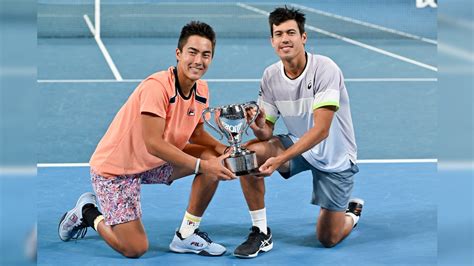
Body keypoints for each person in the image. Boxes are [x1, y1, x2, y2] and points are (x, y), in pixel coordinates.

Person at [58, 21, 236, 258]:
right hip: (115, 170)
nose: (198, 60)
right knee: (135, 249)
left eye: (206, 55)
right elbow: (153, 143)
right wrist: (202, 166)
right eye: (192, 52)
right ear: (178, 53)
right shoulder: (157, 87)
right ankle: (87, 212)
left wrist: (224, 148)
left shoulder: (201, 89)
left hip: (153, 163)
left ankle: (186, 234)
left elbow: (197, 133)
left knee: (214, 159)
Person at [233, 7, 364, 258]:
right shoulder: (270, 76)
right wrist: (256, 124)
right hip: (298, 146)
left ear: (303, 37)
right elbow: (265, 132)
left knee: (328, 238)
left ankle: (351, 214)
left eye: (291, 32)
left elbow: (321, 130)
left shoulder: (325, 69)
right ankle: (260, 231)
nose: (285, 39)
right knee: (248, 155)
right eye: (279, 34)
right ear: (272, 41)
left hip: (334, 157)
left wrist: (280, 159)